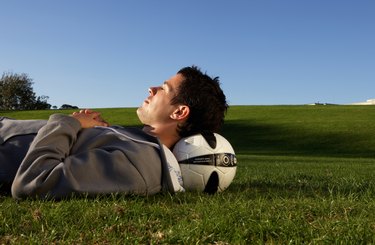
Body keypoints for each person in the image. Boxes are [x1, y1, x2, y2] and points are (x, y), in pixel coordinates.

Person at [0, 66, 228, 199]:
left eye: (164, 89)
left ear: (179, 112)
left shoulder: (140, 166)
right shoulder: (142, 144)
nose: (152, 88)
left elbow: (32, 182)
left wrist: (71, 124)